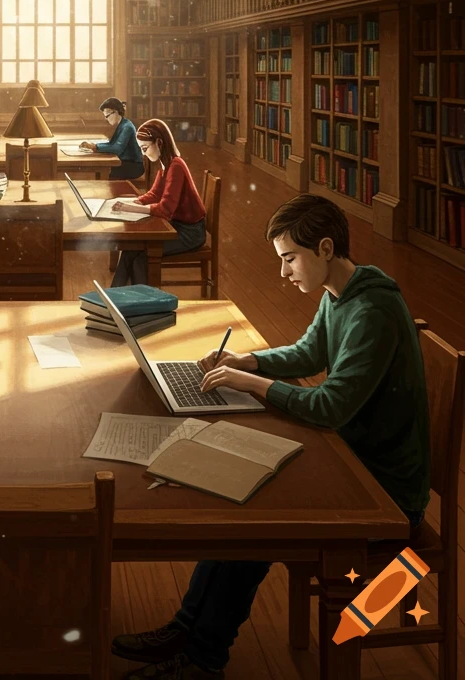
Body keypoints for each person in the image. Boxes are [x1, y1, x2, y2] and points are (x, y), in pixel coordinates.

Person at [111, 194, 431, 680]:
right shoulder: (341, 292)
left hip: (384, 492)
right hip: (354, 459)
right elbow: (309, 353)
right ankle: (187, 629)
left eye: (290, 259)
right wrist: (250, 361)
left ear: (325, 248)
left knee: (255, 519)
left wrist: (252, 383)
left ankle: (204, 658)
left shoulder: (372, 311)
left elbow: (329, 406)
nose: (283, 273)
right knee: (241, 500)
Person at [110, 118, 206, 286]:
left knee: (140, 259)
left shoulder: (176, 166)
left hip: (190, 233)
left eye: (145, 148)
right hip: (176, 226)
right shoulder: (166, 165)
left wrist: (131, 208)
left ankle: (141, 299)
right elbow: (154, 194)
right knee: (129, 250)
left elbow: (165, 210)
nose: (143, 154)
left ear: (159, 142)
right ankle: (114, 296)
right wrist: (135, 201)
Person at [79, 97, 144, 180]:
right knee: (99, 171)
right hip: (126, 163)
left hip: (133, 166)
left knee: (101, 171)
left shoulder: (127, 127)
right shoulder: (122, 124)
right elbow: (112, 144)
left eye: (107, 116)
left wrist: (95, 147)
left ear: (115, 112)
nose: (106, 119)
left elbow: (117, 148)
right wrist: (95, 146)